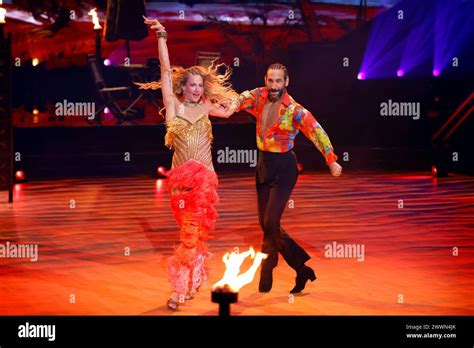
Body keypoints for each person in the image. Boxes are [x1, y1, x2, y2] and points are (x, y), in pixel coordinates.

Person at [140, 16, 238, 310]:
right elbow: (165, 71)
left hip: (205, 184)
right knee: (191, 235)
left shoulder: (207, 107)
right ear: (184, 86)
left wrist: (244, 97)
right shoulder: (174, 106)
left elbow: (231, 109)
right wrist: (162, 37)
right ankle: (194, 280)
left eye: (199, 86)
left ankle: (179, 291)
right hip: (180, 186)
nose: (196, 89)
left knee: (190, 235)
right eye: (192, 85)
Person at [229, 63, 342, 294]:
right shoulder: (258, 97)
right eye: (270, 81)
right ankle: (301, 270)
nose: (273, 86)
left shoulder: (295, 110)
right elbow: (238, 100)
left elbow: (317, 132)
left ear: (286, 82)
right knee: (267, 224)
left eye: (278, 81)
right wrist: (218, 100)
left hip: (284, 169)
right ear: (265, 80)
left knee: (270, 223)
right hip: (263, 166)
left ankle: (267, 266)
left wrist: (331, 159)